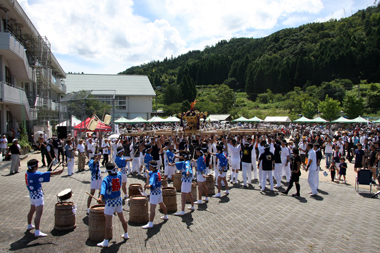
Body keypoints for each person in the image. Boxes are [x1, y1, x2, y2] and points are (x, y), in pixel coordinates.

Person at [25, 159, 63, 237]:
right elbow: (45, 174)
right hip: (37, 195)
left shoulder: (28, 173)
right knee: (38, 213)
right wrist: (58, 172)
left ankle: (29, 225)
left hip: (32, 195)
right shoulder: (35, 175)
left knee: (32, 210)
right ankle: (37, 231)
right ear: (35, 166)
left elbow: (42, 174)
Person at [96, 163, 129, 248]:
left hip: (110, 202)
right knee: (122, 218)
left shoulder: (106, 179)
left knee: (108, 222)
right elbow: (119, 170)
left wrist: (100, 197)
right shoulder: (119, 176)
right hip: (118, 200)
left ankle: (106, 241)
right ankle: (126, 234)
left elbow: (102, 190)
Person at [142, 160, 168, 229]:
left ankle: (150, 223)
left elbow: (151, 182)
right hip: (159, 191)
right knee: (162, 204)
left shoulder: (153, 175)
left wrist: (148, 186)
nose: (149, 167)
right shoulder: (158, 171)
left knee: (152, 208)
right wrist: (147, 172)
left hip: (154, 193)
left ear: (151, 166)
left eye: (149, 165)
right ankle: (166, 216)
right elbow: (151, 173)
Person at [174, 151, 195, 215]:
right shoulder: (185, 162)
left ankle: (182, 210)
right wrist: (171, 164)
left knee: (183, 195)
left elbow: (188, 169)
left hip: (186, 180)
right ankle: (192, 206)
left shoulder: (187, 163)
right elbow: (178, 164)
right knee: (189, 193)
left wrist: (188, 172)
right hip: (188, 180)